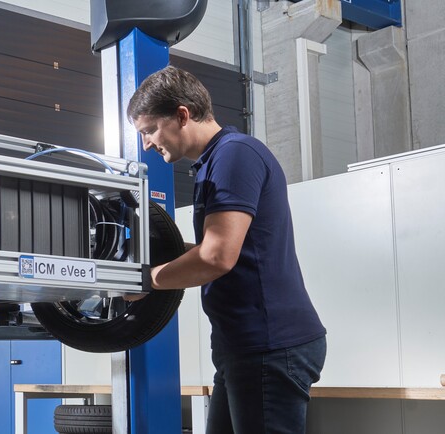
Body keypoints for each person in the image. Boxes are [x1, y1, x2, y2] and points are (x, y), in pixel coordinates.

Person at [127, 66, 327, 434]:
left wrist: (148, 279)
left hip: (268, 346)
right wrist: (151, 258)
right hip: (244, 346)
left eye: (149, 130)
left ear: (182, 114)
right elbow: (226, 248)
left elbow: (217, 256)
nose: (147, 144)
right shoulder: (214, 163)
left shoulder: (235, 156)